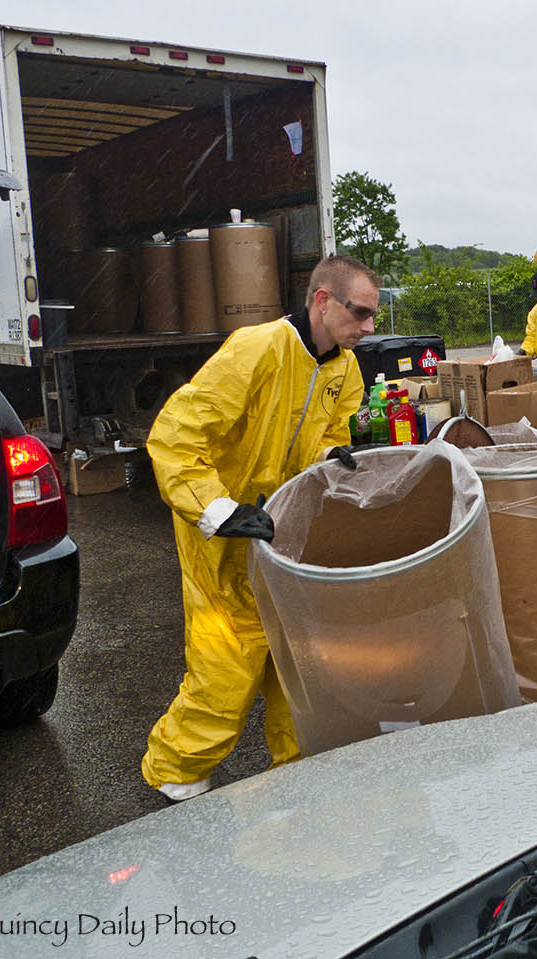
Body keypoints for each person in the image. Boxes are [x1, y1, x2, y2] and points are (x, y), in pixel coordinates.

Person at [140, 254, 376, 801]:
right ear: (323, 300)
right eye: (360, 313)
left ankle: (296, 770)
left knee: (297, 664)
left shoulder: (344, 370)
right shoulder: (257, 348)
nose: (368, 328)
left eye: (371, 317)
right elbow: (176, 437)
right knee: (227, 666)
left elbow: (319, 437)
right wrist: (219, 510)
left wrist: (329, 456)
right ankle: (174, 773)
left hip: (282, 535)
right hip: (220, 539)